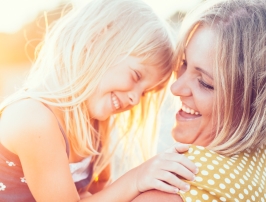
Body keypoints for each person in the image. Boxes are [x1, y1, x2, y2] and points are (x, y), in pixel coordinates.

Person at [0, 0, 199, 201]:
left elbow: (98, 192)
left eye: (145, 93)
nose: (135, 98)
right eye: (136, 76)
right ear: (96, 41)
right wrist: (136, 178)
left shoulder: (94, 125)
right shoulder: (33, 118)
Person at [132, 0, 266, 201]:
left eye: (205, 83)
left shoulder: (174, 188)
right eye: (184, 63)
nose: (175, 89)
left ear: (252, 103)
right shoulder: (258, 158)